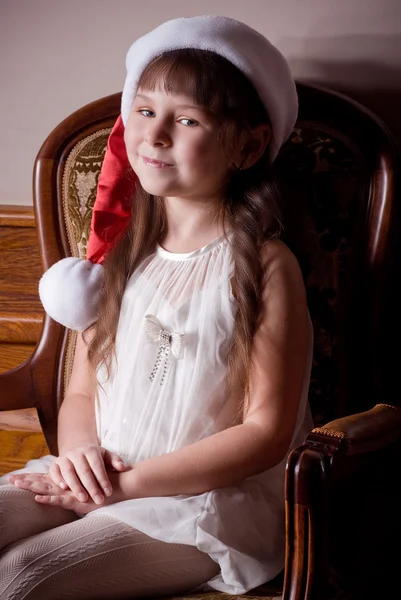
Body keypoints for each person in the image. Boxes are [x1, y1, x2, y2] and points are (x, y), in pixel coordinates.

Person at [0, 15, 314, 599]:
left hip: (200, 509)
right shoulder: (123, 259)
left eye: (188, 119)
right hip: (103, 473)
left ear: (247, 145)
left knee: (21, 578)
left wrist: (130, 486)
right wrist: (80, 462)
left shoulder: (267, 267)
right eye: (144, 111)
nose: (156, 134)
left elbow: (266, 431)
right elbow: (83, 394)